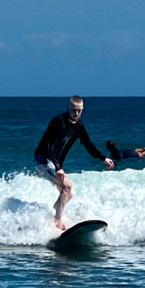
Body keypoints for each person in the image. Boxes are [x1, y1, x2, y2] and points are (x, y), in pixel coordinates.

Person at [34, 95, 114, 230]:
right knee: (67, 188)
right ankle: (57, 222)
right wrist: (58, 167)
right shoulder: (59, 121)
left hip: (54, 163)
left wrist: (103, 158)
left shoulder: (79, 127)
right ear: (68, 108)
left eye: (79, 111)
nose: (76, 113)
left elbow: (87, 144)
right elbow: (49, 145)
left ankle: (56, 208)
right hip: (42, 160)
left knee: (68, 194)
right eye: (73, 110)